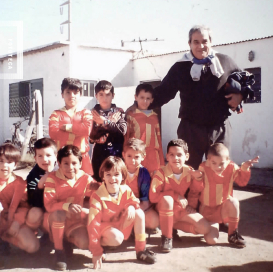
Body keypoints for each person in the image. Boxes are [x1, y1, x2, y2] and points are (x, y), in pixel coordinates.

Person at [136, 25, 249, 170]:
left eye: (204, 41)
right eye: (196, 42)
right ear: (189, 44)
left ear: (210, 42)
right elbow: (164, 92)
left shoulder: (225, 61)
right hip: (190, 130)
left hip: (219, 128)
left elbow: (247, 82)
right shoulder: (180, 67)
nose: (201, 46)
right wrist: (139, 104)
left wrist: (240, 96)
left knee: (220, 173)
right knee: (187, 174)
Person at [88, 156, 157, 269]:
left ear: (123, 176)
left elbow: (134, 200)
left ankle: (141, 250)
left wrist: (131, 206)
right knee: (117, 238)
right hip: (104, 228)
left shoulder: (125, 189)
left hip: (119, 223)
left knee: (138, 213)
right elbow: (93, 225)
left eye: (116, 174)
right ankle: (101, 246)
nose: (112, 178)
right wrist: (96, 251)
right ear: (103, 176)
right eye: (108, 174)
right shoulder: (97, 196)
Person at [188, 143, 259, 247]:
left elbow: (242, 182)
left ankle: (233, 234)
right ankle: (214, 225)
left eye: (222, 163)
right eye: (214, 163)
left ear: (228, 160)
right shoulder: (203, 167)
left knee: (234, 202)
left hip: (222, 209)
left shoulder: (232, 167)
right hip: (207, 212)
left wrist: (244, 169)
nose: (218, 167)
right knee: (211, 241)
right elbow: (195, 189)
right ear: (208, 159)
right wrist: (192, 206)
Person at [149, 139, 210, 252]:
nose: (175, 158)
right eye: (171, 154)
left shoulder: (189, 171)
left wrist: (198, 179)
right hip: (162, 210)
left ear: (186, 156)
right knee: (167, 200)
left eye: (179, 155)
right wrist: (175, 195)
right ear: (167, 156)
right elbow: (153, 197)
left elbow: (194, 191)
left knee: (205, 228)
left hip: (179, 209)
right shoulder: (161, 173)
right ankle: (167, 237)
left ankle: (172, 226)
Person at [43, 145, 98, 271]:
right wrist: (66, 206)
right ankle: (59, 251)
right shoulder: (52, 178)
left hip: (73, 221)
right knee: (59, 214)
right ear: (59, 163)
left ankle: (66, 241)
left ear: (80, 163)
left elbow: (97, 191)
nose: (70, 167)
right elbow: (49, 205)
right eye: (66, 163)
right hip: (53, 219)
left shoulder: (84, 177)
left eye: (74, 163)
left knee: (84, 243)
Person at [49, 77, 93, 175]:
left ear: (80, 94)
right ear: (62, 94)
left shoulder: (86, 112)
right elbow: (53, 133)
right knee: (62, 186)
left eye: (75, 92)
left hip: (83, 158)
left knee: (86, 187)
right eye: (68, 92)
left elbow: (87, 130)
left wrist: (68, 128)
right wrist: (78, 131)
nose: (72, 96)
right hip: (63, 158)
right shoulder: (56, 114)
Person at [90, 80, 127, 182]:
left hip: (116, 151)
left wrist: (104, 122)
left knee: (116, 180)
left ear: (113, 95)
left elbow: (122, 131)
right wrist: (111, 123)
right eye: (101, 94)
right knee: (99, 180)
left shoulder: (119, 111)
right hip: (99, 152)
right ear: (96, 96)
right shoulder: (92, 113)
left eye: (108, 94)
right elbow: (92, 137)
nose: (104, 98)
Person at [125, 83, 164, 176]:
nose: (145, 101)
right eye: (142, 97)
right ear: (136, 97)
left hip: (153, 157)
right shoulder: (131, 115)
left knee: (153, 185)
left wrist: (162, 162)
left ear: (152, 100)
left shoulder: (154, 117)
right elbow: (126, 138)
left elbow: (158, 140)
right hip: (136, 156)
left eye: (148, 98)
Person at [122, 138, 159, 231]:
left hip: (139, 205)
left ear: (143, 157)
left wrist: (133, 211)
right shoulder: (119, 170)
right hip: (121, 205)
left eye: (136, 157)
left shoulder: (144, 174)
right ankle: (128, 227)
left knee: (154, 221)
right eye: (129, 156)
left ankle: (133, 227)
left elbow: (145, 203)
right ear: (123, 155)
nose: (132, 160)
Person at [26, 138, 58, 231]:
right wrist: (40, 185)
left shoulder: (63, 169)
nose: (44, 159)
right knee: (34, 213)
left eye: (48, 155)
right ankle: (32, 231)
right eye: (40, 156)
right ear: (35, 158)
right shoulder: (32, 175)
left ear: (55, 156)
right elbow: (33, 202)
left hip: (61, 207)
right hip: (43, 208)